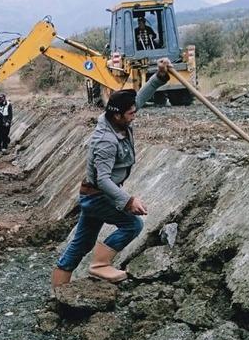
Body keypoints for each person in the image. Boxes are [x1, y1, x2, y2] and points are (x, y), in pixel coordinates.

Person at [51, 58, 172, 290]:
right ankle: (99, 264)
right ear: (118, 116)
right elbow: (102, 179)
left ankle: (58, 294)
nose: (135, 115)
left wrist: (159, 76)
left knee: (81, 244)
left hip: (95, 196)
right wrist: (128, 201)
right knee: (132, 225)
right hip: (97, 196)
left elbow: (139, 99)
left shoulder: (116, 118)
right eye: (131, 114)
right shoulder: (106, 141)